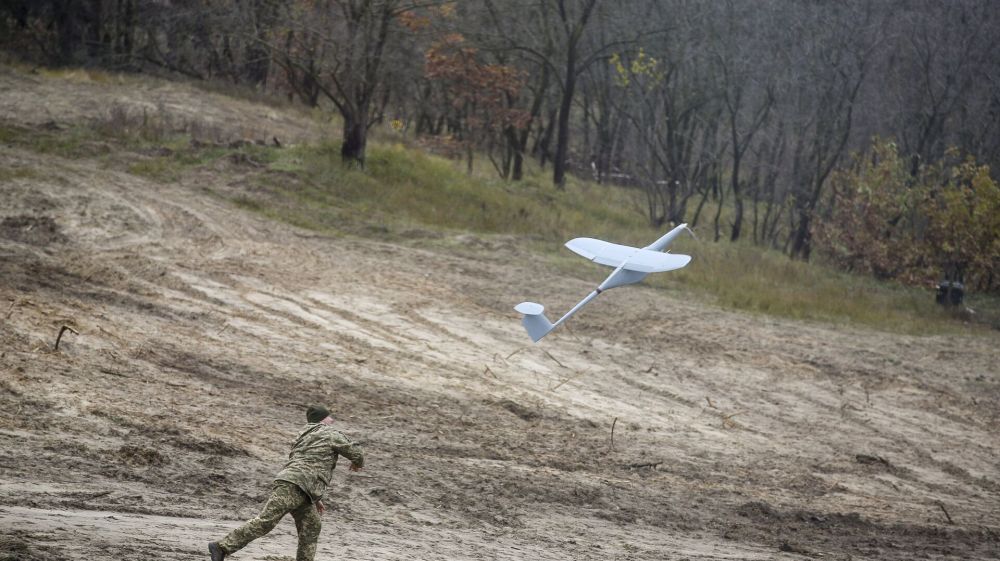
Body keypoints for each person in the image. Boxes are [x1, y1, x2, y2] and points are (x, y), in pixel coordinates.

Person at [208, 405, 364, 561]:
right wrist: (357, 463)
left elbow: (308, 462)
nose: (332, 420)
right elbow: (356, 452)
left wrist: (316, 498)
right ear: (322, 419)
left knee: (311, 526)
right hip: (293, 486)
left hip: (302, 488)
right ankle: (221, 547)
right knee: (266, 521)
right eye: (329, 417)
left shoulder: (303, 435)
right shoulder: (328, 432)